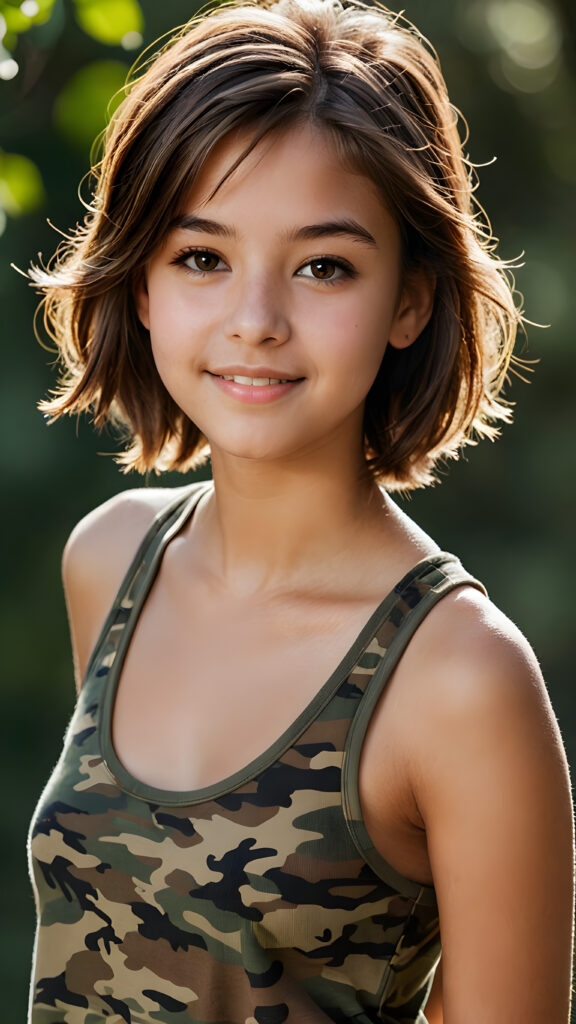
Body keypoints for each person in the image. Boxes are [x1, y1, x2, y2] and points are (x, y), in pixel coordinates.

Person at [26, 0, 573, 1021]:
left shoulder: (461, 680)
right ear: (141, 283)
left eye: (325, 266)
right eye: (202, 257)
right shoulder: (108, 560)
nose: (256, 321)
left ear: (410, 298)